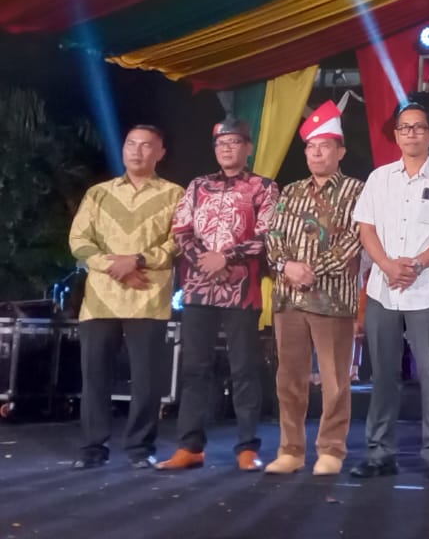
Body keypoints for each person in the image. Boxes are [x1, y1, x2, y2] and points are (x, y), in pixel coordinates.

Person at [349, 91, 429, 480]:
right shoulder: (379, 178)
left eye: (419, 128)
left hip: (428, 290)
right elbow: (366, 227)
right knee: (383, 375)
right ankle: (379, 452)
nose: (411, 134)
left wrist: (416, 264)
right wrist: (386, 265)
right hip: (383, 290)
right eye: (404, 128)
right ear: (396, 135)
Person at [159, 117, 278, 471]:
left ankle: (247, 448)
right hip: (198, 289)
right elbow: (181, 230)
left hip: (242, 290)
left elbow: (268, 234)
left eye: (234, 142)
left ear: (248, 148)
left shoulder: (264, 187)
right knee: (194, 369)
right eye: (221, 144)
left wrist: (225, 258)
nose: (227, 148)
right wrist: (204, 261)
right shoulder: (198, 186)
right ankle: (190, 446)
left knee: (244, 369)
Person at [68, 125, 183, 470]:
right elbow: (79, 240)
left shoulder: (175, 194)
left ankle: (140, 448)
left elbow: (179, 242)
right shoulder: (98, 194)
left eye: (146, 146)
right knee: (95, 377)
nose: (137, 151)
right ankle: (93, 448)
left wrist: (138, 260)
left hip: (147, 297)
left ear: (160, 153)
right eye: (131, 144)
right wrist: (114, 265)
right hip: (100, 300)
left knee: (147, 380)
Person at [263, 101, 365, 476]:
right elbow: (273, 236)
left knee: (335, 381)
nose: (317, 153)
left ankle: (331, 450)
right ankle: (290, 450)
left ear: (341, 152)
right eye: (311, 147)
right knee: (289, 379)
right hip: (288, 297)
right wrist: (286, 266)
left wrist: (313, 270)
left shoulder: (357, 190)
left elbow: (355, 238)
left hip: (333, 298)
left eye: (325, 146)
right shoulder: (290, 191)